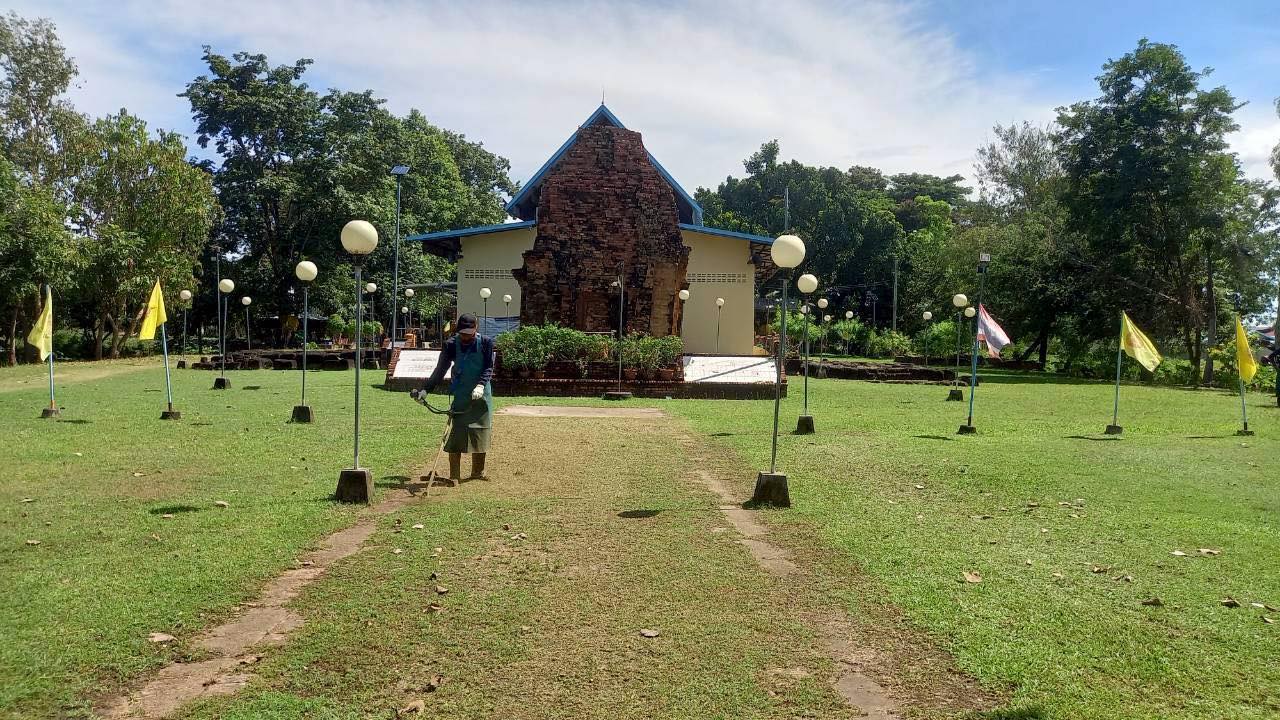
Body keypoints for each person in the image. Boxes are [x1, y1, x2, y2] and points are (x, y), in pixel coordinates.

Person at [418, 313, 493, 482]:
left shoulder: (486, 342)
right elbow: (440, 369)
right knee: (457, 432)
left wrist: (481, 385)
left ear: (476, 329)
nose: (465, 337)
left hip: (482, 395)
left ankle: (478, 472)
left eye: (469, 333)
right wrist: (426, 390)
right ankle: (454, 475)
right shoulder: (451, 344)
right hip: (461, 394)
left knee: (481, 431)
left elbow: (488, 367)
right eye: (462, 333)